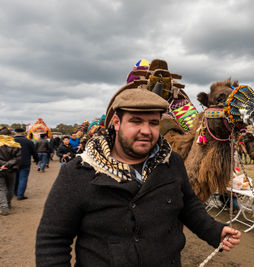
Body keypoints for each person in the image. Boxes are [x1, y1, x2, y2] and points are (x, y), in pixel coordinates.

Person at [36, 88, 241, 266]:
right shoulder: (79, 172)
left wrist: (214, 231)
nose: (146, 131)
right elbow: (52, 240)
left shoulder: (171, 163)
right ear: (116, 122)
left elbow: (188, 204)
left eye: (153, 123)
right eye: (136, 121)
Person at [0, 127, 21, 215]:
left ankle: (3, 207)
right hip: (11, 169)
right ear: (10, 135)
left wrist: (2, 164)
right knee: (10, 187)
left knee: (1, 188)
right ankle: (8, 203)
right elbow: (18, 158)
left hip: (0, 169)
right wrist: (7, 164)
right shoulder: (16, 145)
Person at [13, 128, 38, 200]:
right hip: (25, 162)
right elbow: (34, 152)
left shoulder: (11, 141)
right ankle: (20, 195)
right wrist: (36, 160)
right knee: (23, 179)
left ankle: (15, 192)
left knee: (15, 178)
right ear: (23, 133)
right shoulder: (28, 141)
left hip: (13, 163)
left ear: (15, 133)